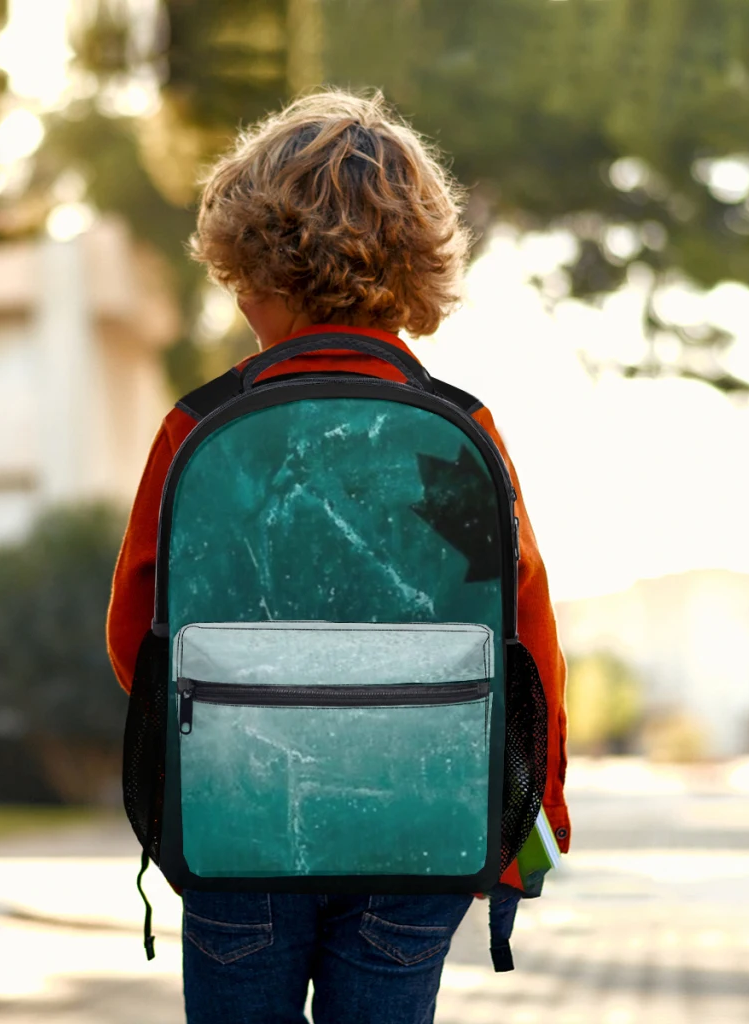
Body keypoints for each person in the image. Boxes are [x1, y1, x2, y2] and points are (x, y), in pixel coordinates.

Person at [107, 88, 569, 1024]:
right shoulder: (460, 432)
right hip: (419, 827)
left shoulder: (198, 428)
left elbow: (133, 637)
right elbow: (526, 634)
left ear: (253, 268)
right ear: (417, 268)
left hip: (242, 826)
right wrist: (531, 814)